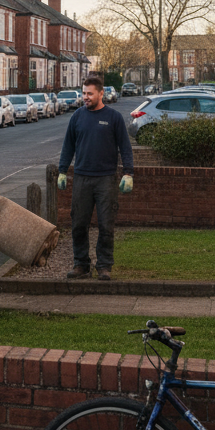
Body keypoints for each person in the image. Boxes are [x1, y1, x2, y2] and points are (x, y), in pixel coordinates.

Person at [56, 74, 134, 281]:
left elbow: (125, 147)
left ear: (101, 93)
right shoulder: (77, 117)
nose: (86, 97)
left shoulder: (113, 118)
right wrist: (62, 170)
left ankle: (104, 266)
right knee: (79, 224)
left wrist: (128, 173)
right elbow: (68, 146)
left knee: (106, 225)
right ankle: (81, 265)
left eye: (90, 94)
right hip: (82, 178)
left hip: (106, 179)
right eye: (84, 93)